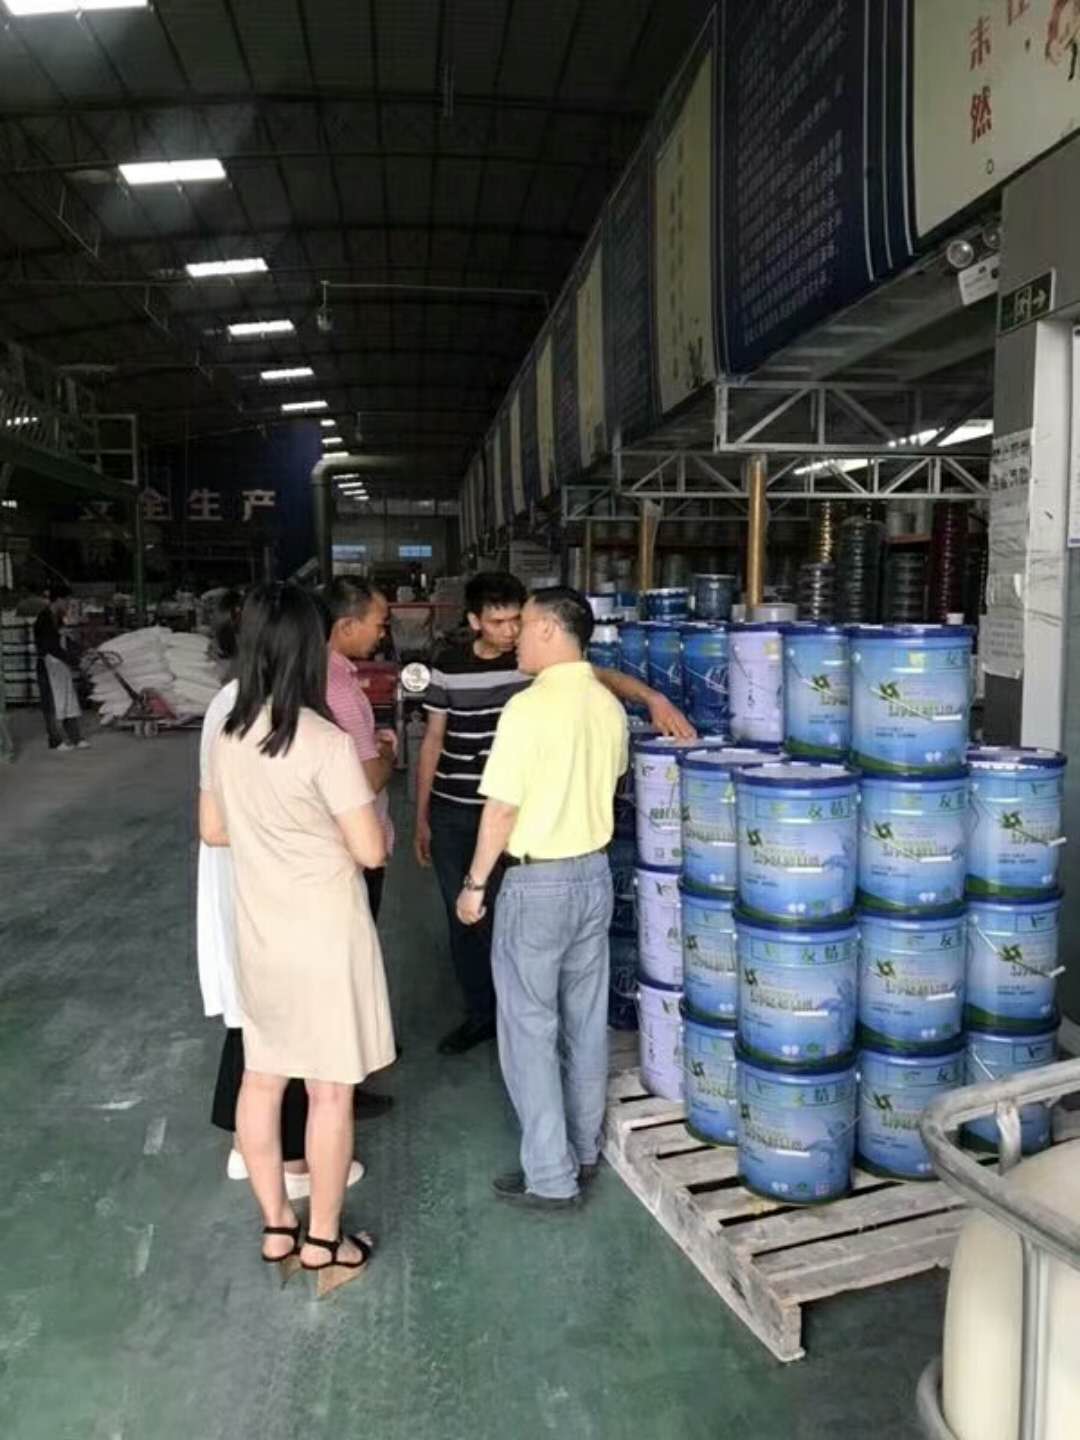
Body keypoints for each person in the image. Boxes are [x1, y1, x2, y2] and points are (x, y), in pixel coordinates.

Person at [200, 583, 394, 1296]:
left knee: (262, 1077)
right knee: (329, 1091)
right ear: (308, 650)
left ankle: (278, 1226)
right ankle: (324, 1242)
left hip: (260, 929)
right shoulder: (324, 742)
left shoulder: (227, 735)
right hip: (325, 931)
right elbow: (370, 850)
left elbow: (214, 830)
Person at [416, 571, 693, 1056]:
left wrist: (651, 697)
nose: (510, 632)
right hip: (457, 809)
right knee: (464, 923)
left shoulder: (535, 669)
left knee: (508, 926)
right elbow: (433, 740)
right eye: (499, 622)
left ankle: (513, 1019)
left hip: (520, 819)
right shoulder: (450, 667)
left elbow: (595, 677)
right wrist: (421, 815)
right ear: (474, 621)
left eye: (516, 621)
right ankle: (481, 1014)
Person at [456, 588, 627, 1210]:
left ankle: (552, 1177)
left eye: (524, 625)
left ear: (552, 630)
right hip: (594, 876)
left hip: (538, 884)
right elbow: (610, 784)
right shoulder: (608, 705)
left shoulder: (527, 709)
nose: (514, 637)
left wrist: (475, 884)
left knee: (529, 1030)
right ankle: (583, 1150)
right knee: (584, 1022)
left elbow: (501, 809)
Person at [323, 577, 397, 923]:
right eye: (379, 625)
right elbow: (369, 780)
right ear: (347, 626)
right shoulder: (338, 687)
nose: (382, 634)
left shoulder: (317, 675)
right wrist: (387, 751)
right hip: (353, 850)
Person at [34, 585, 87, 752]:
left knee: (69, 700)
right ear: (58, 600)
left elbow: (65, 641)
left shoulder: (57, 618)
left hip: (61, 666)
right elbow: (52, 647)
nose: (68, 605)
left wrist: (82, 651)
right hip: (48, 666)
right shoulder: (44, 619)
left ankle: (75, 737)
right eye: (66, 601)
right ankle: (55, 740)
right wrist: (75, 661)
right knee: (52, 704)